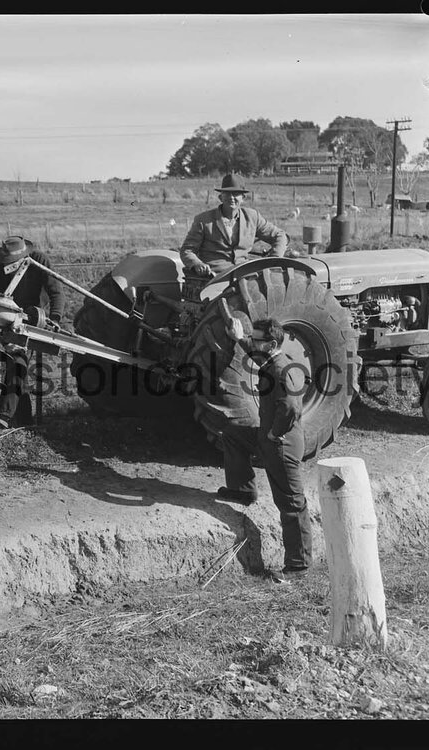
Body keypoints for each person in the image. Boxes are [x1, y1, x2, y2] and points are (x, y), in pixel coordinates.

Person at [217, 315, 312, 583]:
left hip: (282, 445)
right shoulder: (269, 359)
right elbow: (255, 350)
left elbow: (292, 407)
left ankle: (298, 566)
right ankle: (243, 490)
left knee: (291, 504)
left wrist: (274, 432)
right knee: (233, 434)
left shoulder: (281, 370)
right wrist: (239, 338)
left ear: (270, 344)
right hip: (267, 437)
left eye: (256, 339)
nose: (252, 342)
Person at [0, 235, 64, 426]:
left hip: (36, 317)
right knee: (16, 361)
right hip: (10, 317)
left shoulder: (39, 261)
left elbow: (56, 292)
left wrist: (55, 318)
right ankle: (23, 419)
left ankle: (6, 415)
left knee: (16, 362)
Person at [179, 174, 287, 278]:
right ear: (220, 197)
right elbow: (187, 250)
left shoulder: (253, 217)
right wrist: (197, 264)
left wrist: (274, 261)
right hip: (213, 278)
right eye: (227, 193)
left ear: (243, 197)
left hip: (245, 277)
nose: (231, 197)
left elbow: (280, 235)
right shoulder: (203, 220)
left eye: (236, 194)